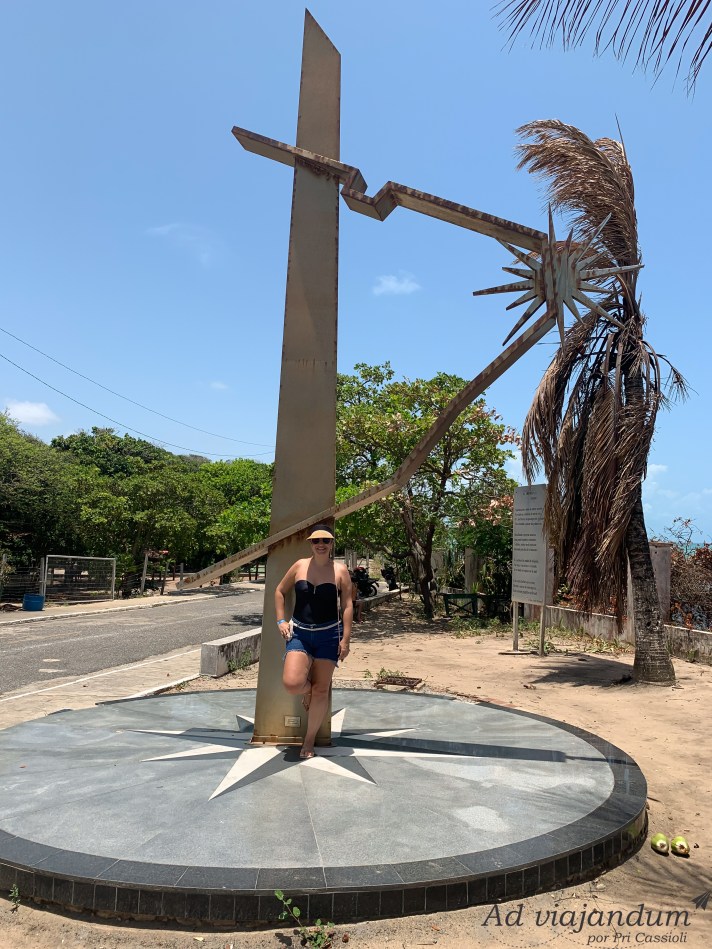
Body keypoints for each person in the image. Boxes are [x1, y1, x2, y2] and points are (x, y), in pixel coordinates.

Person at [275, 525, 353, 759]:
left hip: (329, 635)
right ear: (310, 543)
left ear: (332, 544)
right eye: (316, 540)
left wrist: (346, 640)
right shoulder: (299, 565)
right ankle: (307, 690)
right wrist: (281, 620)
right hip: (299, 633)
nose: (321, 544)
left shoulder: (340, 570)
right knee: (292, 683)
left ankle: (309, 741)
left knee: (321, 690)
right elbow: (280, 591)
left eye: (325, 541)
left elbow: (347, 605)